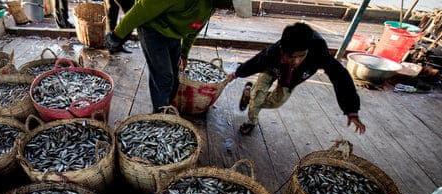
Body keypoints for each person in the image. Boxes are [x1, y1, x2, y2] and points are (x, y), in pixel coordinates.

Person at [229, 22, 366, 135]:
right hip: (272, 69)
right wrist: (237, 74)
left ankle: (249, 94)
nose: (296, 61)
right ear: (283, 51)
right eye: (292, 57)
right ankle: (251, 121)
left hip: (291, 79)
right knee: (258, 95)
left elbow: (340, 75)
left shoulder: (319, 52)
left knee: (277, 102)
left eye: (301, 56)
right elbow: (256, 63)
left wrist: (351, 109)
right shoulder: (273, 53)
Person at [104, 0, 232, 113]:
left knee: (174, 80)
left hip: (174, 31)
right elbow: (143, 8)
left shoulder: (212, 5)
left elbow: (195, 27)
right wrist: (117, 34)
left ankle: (164, 107)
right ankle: (160, 117)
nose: (229, 7)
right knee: (164, 77)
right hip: (151, 26)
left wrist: (184, 53)